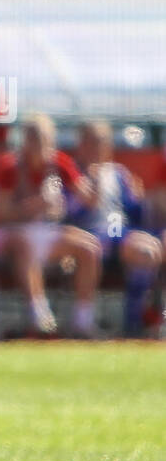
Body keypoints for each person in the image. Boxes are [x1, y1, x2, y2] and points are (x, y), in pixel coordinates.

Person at [0, 115, 100, 337]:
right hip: (4, 235)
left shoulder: (60, 163)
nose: (39, 146)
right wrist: (36, 205)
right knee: (25, 244)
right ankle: (40, 319)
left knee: (89, 247)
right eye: (33, 139)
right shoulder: (11, 167)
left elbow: (90, 199)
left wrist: (97, 173)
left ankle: (82, 322)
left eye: (44, 139)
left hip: (42, 232)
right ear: (24, 141)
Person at [68, 120, 161, 336]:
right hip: (87, 235)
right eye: (91, 141)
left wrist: (140, 199)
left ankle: (139, 318)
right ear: (80, 144)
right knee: (139, 248)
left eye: (101, 142)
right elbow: (69, 214)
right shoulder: (71, 172)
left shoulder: (119, 173)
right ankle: (121, 322)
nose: (96, 147)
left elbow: (135, 213)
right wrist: (91, 186)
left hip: (119, 233)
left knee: (150, 249)